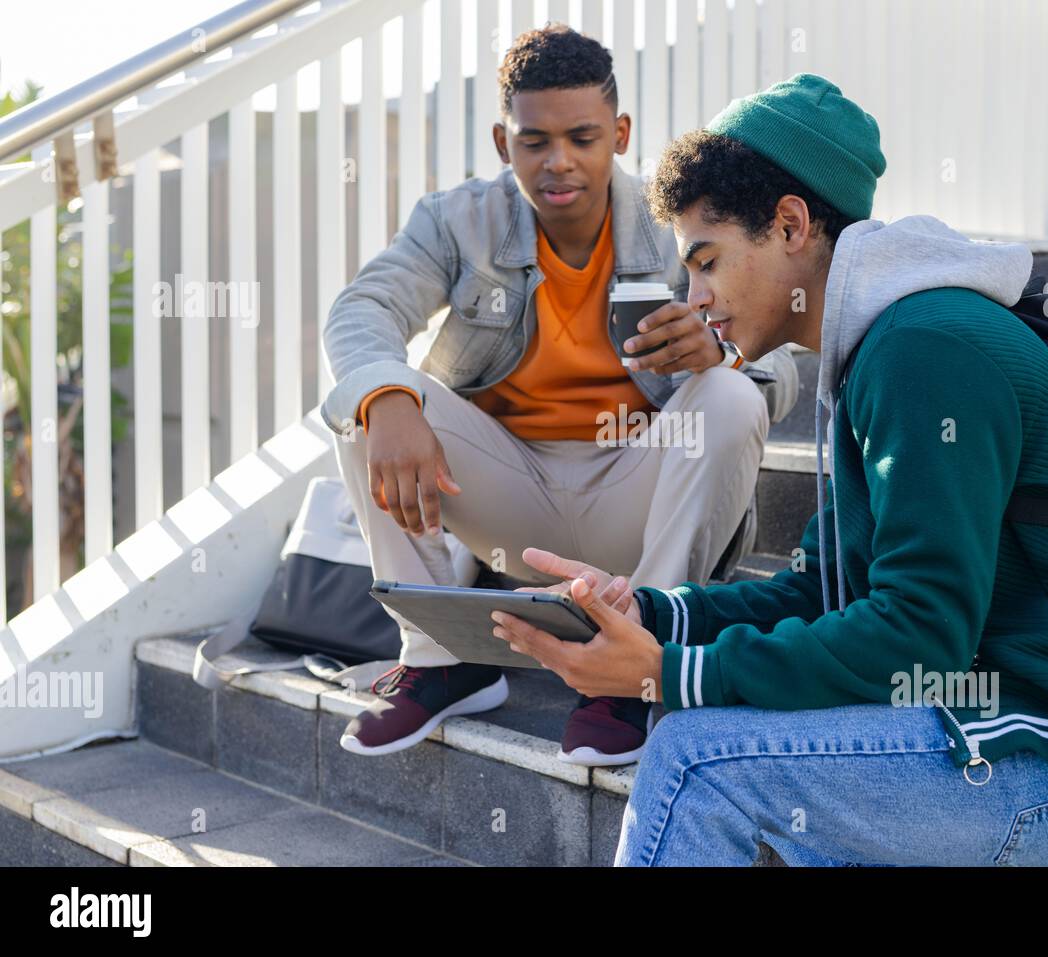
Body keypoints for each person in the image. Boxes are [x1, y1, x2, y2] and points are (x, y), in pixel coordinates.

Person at [490, 74, 1048, 865]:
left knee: (696, 760)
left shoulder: (926, 348)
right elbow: (821, 587)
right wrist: (649, 615)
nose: (695, 297)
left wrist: (677, 674)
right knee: (759, 758)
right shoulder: (884, 345)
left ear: (789, 225)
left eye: (706, 261)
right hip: (1022, 731)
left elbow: (921, 636)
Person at [319, 25, 797, 766]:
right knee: (369, 402)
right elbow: (362, 310)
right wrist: (386, 400)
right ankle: (443, 657)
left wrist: (727, 348)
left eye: (582, 136)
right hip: (512, 498)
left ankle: (637, 656)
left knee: (733, 397)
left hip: (633, 498)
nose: (559, 161)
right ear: (502, 141)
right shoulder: (457, 220)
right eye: (534, 141)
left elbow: (789, 344)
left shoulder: (675, 223)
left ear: (621, 134)